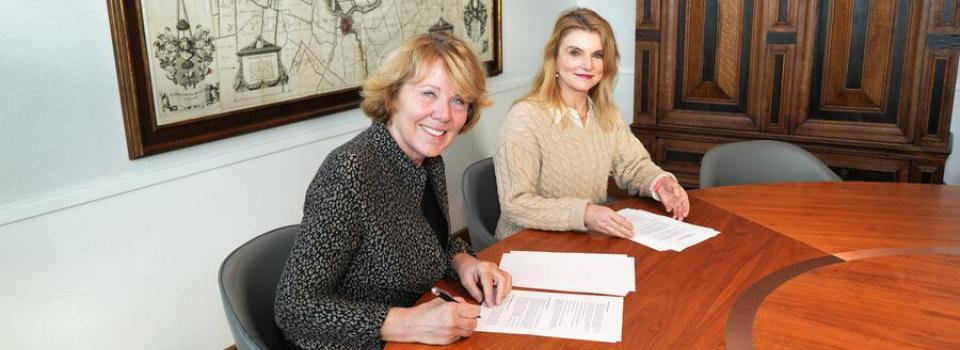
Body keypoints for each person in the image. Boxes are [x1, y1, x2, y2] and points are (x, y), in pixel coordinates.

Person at [275, 32, 512, 350]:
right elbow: (294, 308)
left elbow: (426, 240)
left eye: (458, 100)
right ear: (393, 96)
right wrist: (408, 323)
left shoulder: (428, 161)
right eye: (429, 93)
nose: (443, 114)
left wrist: (463, 262)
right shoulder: (350, 171)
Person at [494, 8, 690, 240]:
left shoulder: (605, 115)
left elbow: (634, 165)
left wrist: (660, 183)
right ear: (554, 59)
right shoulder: (525, 118)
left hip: (583, 240)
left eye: (597, 55)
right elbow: (516, 204)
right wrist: (585, 213)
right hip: (526, 245)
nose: (588, 65)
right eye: (575, 53)